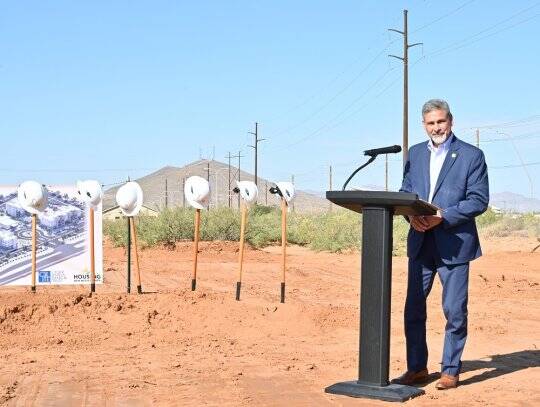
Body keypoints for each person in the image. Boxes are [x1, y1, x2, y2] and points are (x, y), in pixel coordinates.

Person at [393, 99, 489, 390]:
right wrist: (412, 217)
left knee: (454, 310)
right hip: (420, 242)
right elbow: (405, 192)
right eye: (431, 123)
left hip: (455, 244)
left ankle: (450, 369)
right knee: (413, 309)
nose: (436, 127)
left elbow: (478, 199)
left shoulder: (472, 155)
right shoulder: (415, 154)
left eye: (441, 122)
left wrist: (442, 217)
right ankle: (417, 368)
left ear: (451, 121)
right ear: (424, 125)